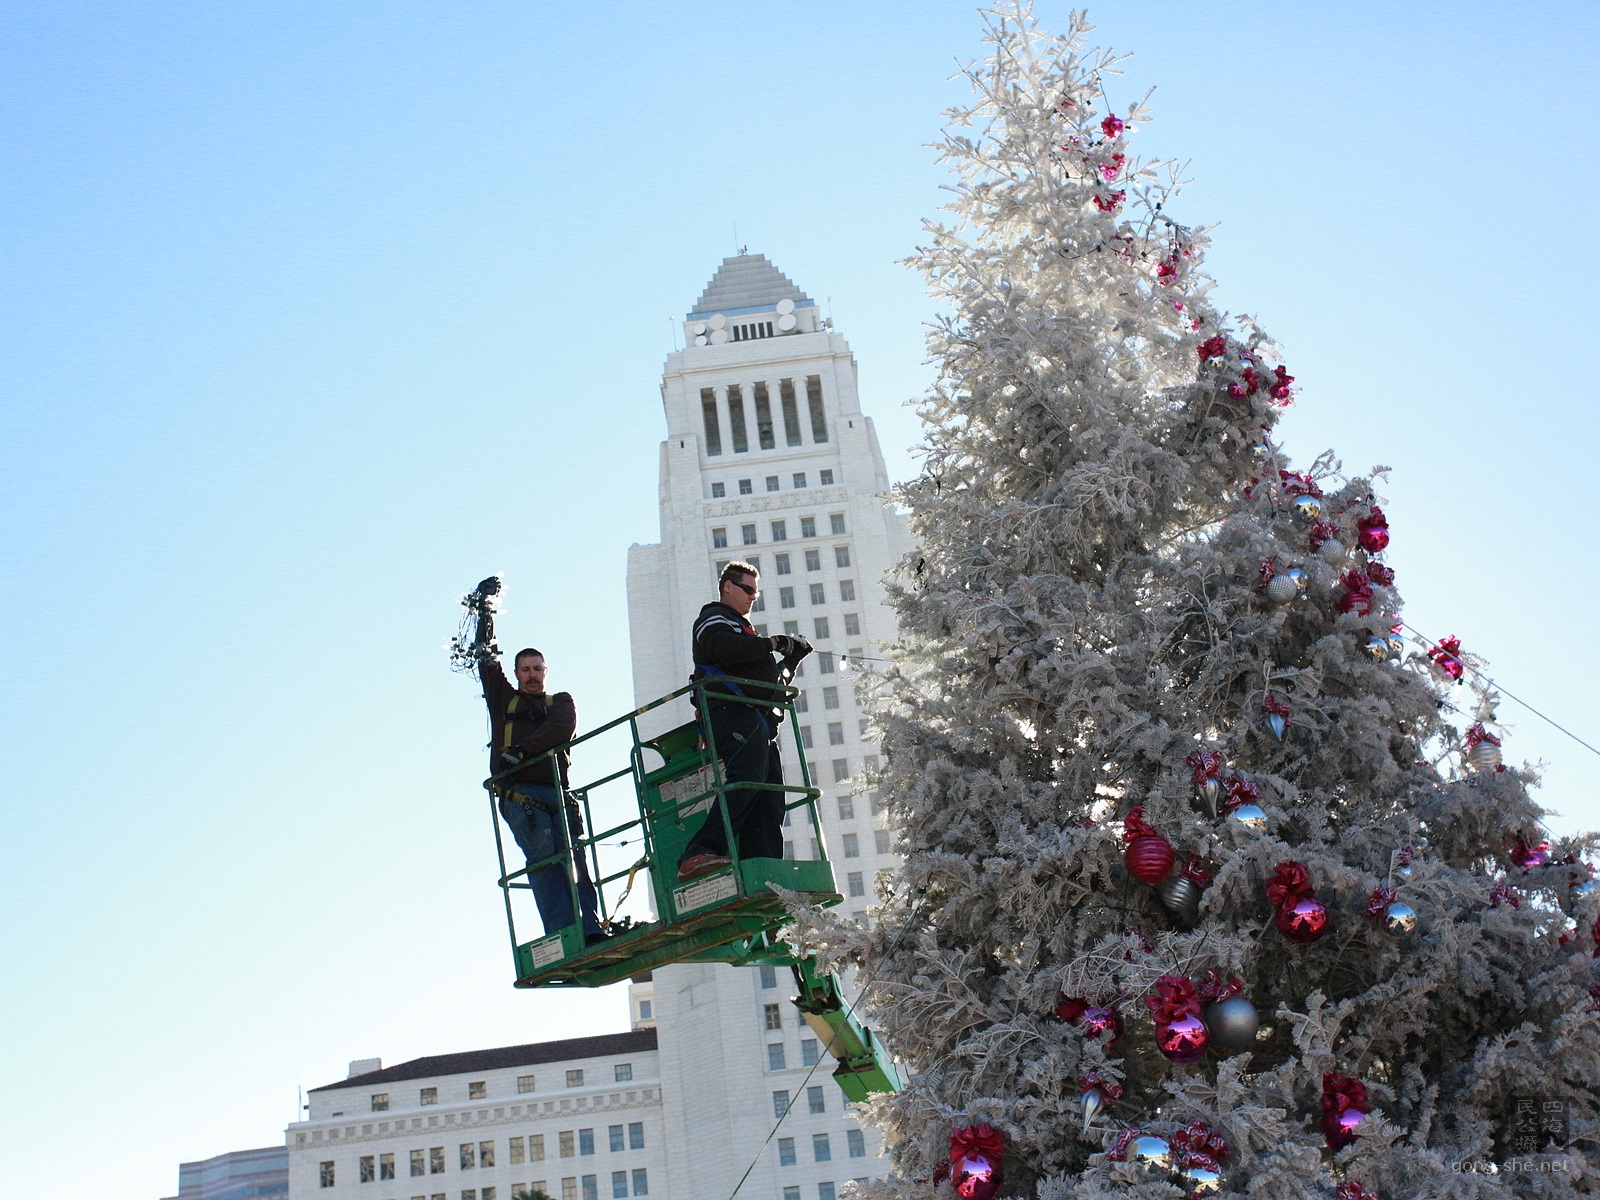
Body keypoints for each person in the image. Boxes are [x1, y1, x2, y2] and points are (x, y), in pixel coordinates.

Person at [471, 578, 605, 944]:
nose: (531, 675)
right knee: (545, 862)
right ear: (516, 674)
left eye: (537, 669)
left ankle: (590, 929)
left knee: (574, 861)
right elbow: (485, 654)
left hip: (558, 795)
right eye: (525, 670)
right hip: (521, 796)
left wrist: (522, 751)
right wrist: (486, 611)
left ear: (546, 672)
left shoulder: (560, 703)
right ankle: (565, 936)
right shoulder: (504, 701)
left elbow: (563, 727)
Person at [678, 561, 811, 881]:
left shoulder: (744, 632)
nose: (753, 596)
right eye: (748, 589)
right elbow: (724, 648)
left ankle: (762, 868)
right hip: (731, 712)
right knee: (747, 776)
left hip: (755, 720)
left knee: (768, 795)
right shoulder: (715, 618)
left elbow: (773, 687)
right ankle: (700, 850)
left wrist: (790, 660)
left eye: (756, 591)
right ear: (727, 587)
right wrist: (774, 643)